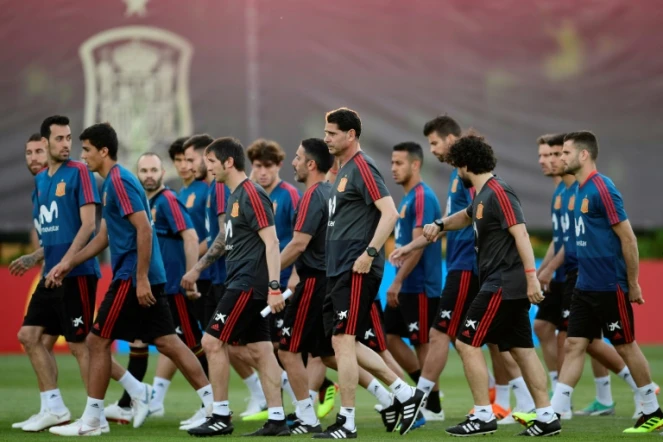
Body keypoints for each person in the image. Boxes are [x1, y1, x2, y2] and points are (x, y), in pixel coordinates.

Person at [47, 122, 212, 436]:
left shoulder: (119, 181)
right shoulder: (111, 183)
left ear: (103, 151)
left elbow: (144, 229)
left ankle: (93, 420)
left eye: (87, 150)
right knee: (169, 343)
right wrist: (69, 262)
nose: (83, 157)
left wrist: (140, 279)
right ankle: (214, 407)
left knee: (96, 341)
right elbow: (104, 237)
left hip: (132, 276)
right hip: (139, 275)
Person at [420, 133, 561, 437]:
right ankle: (548, 415)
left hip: (502, 283)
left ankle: (483, 415)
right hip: (505, 284)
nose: (456, 172)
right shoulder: (483, 195)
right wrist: (441, 224)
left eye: (457, 166)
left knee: (466, 342)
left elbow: (521, 234)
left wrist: (531, 276)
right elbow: (466, 216)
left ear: (466, 164)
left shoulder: (499, 192)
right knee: (522, 349)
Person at [534, 131, 662, 434]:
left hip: (608, 285)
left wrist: (633, 283)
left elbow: (628, 238)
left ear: (583, 155)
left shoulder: (602, 188)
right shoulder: (578, 190)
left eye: (565, 153)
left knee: (626, 346)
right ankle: (553, 413)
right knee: (576, 343)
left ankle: (653, 411)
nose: (559, 158)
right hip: (584, 284)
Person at [316, 107, 424, 439]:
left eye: (332, 133)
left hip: (356, 267)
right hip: (338, 269)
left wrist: (370, 253)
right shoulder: (343, 169)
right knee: (339, 342)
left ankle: (347, 421)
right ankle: (406, 394)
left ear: (351, 135)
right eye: (326, 132)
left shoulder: (362, 166)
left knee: (344, 342)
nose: (326, 138)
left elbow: (389, 213)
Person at [186, 137, 289, 437]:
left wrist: (273, 286)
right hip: (243, 282)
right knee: (261, 351)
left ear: (228, 162)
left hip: (248, 284)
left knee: (211, 342)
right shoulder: (233, 195)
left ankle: (219, 416)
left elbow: (273, 242)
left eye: (212, 164)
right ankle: (278, 419)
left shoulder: (251, 194)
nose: (209, 171)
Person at [12, 117, 101, 432]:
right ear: (46, 142)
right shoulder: (41, 182)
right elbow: (51, 231)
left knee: (80, 346)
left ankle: (95, 417)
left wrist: (66, 262)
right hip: (52, 273)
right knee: (29, 336)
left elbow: (89, 225)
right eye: (60, 138)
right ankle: (54, 408)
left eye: (69, 138)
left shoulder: (78, 172)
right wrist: (40, 257)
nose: (66, 144)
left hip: (77, 273)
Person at [133, 152, 208, 420]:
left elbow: (191, 236)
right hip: (155, 287)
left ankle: (210, 405)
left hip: (174, 288)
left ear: (163, 172)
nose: (149, 175)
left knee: (192, 343)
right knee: (141, 339)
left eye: (154, 170)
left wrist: (189, 277)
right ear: (137, 174)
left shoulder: (168, 199)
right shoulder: (145, 202)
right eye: (144, 171)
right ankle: (133, 402)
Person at [277, 138, 334, 434]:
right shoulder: (329, 192)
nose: (294, 163)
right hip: (326, 279)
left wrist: (269, 272)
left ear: (311, 164)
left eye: (298, 158)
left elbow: (299, 244)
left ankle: (307, 418)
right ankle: (394, 394)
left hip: (314, 281)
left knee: (287, 350)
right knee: (329, 354)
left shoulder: (313, 195)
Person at [385, 141, 443, 421]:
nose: (393, 168)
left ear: (415, 164)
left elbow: (419, 245)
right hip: (405, 283)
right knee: (387, 337)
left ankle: (432, 406)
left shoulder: (422, 197)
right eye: (393, 162)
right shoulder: (407, 198)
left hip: (419, 285)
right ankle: (420, 392)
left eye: (399, 163)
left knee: (422, 342)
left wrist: (396, 282)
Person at [531, 134, 564, 395]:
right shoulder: (559, 191)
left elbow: (576, 238)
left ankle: (641, 388)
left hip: (581, 272)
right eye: (542, 155)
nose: (545, 160)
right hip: (562, 272)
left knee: (583, 339)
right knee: (542, 326)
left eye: (551, 155)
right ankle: (559, 391)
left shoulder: (574, 189)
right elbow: (560, 238)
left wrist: (549, 269)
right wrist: (542, 270)